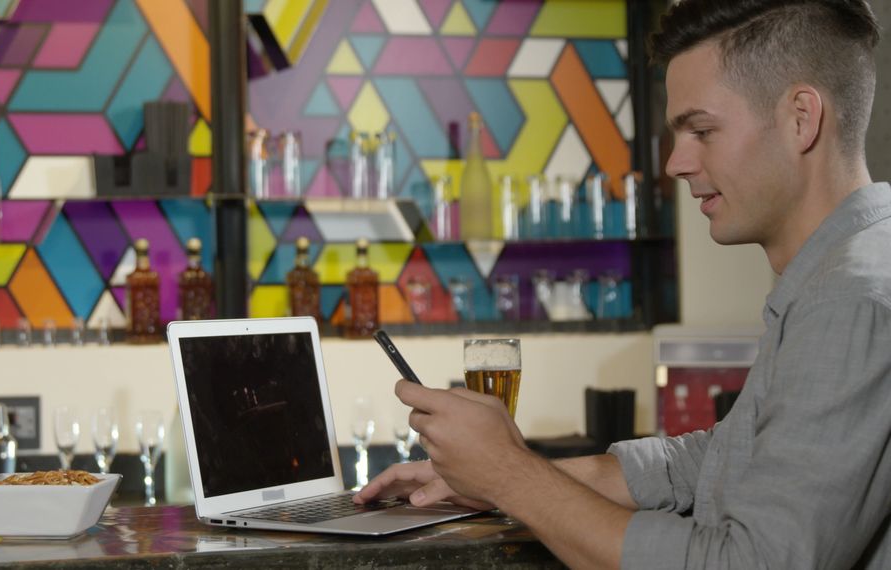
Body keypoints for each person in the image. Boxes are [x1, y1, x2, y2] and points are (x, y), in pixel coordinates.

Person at [354, 0, 891, 568]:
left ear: (801, 118)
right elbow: (721, 459)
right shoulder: (841, 274)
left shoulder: (849, 301)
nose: (675, 164)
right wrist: (496, 471)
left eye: (702, 130)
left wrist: (512, 478)